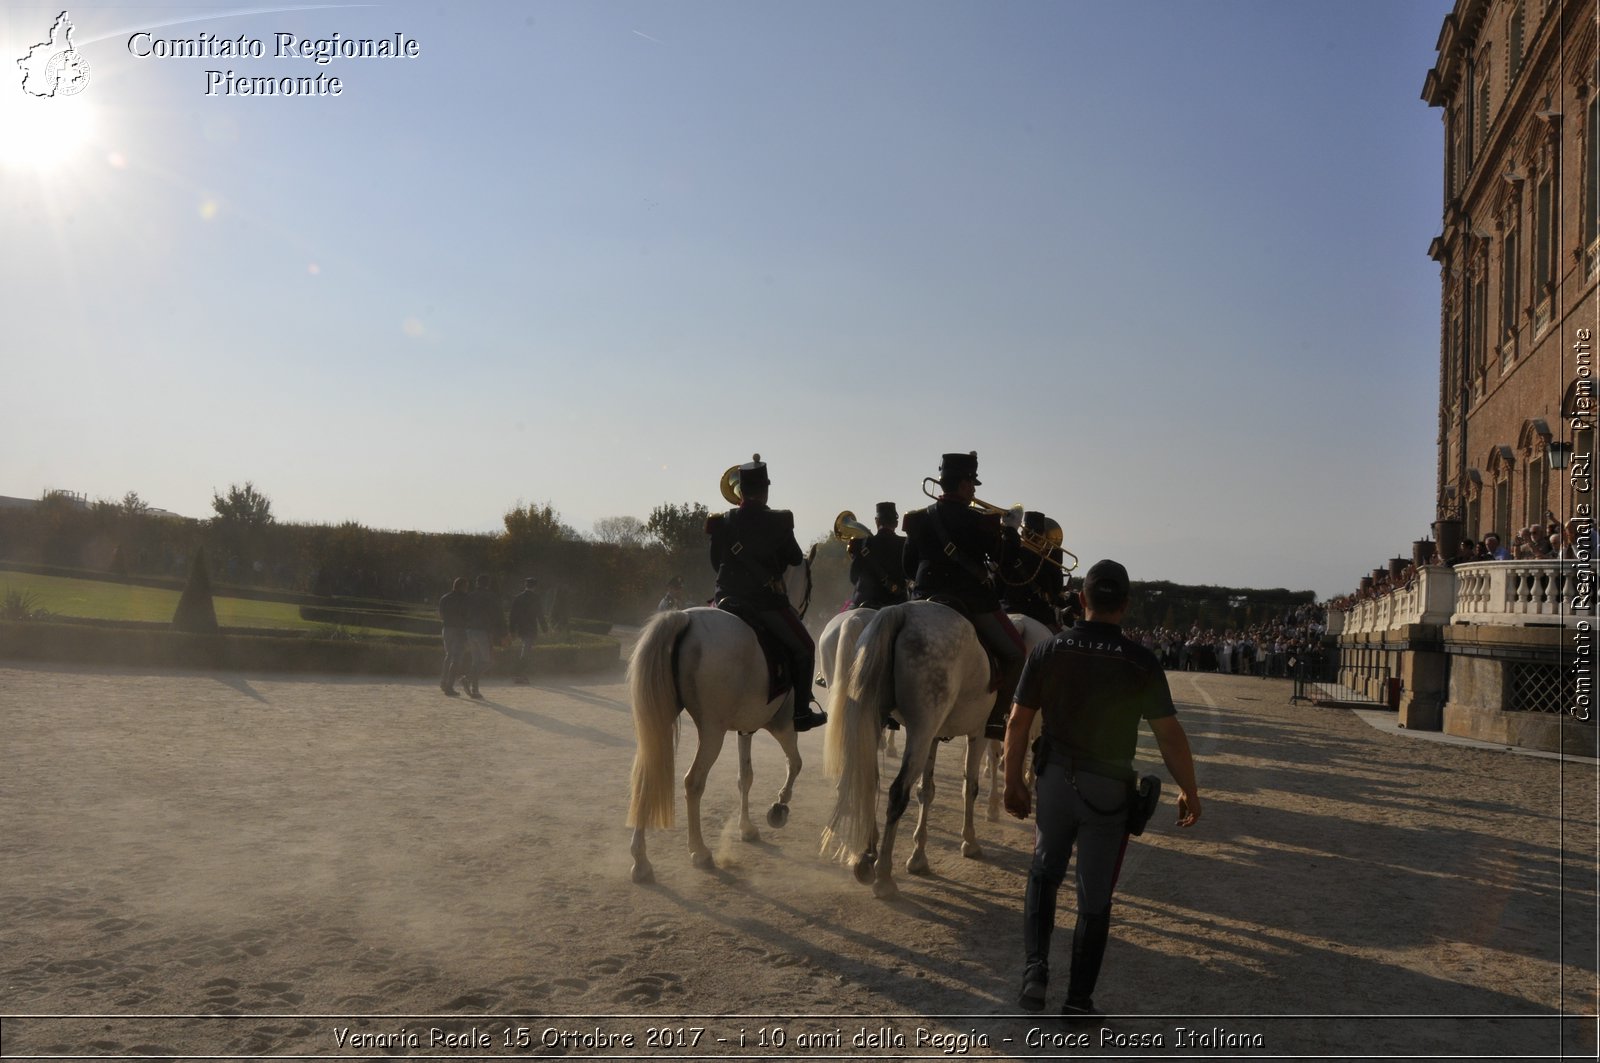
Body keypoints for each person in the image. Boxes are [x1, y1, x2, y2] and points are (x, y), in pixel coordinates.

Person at [1003, 559, 1202, 1021]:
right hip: (1108, 788)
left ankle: (1034, 973)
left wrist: (1014, 780)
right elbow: (1169, 735)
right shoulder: (1140, 660)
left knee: (1042, 874)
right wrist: (1190, 790)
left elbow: (1017, 721)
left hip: (1055, 781)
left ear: (1082, 600)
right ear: (1126, 605)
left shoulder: (1048, 650)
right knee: (1095, 898)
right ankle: (1077, 1001)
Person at [902, 451, 1026, 740]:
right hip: (970, 598)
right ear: (962, 485)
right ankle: (997, 718)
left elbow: (908, 566)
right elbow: (1004, 567)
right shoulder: (982, 521)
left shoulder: (918, 518)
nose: (973, 490)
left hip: (923, 595)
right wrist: (1010, 533)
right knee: (1016, 652)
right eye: (972, 484)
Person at [706, 458, 827, 732]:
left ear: (740, 490)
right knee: (806, 648)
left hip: (725, 599)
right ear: (765, 490)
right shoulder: (779, 520)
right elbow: (796, 558)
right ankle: (801, 713)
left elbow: (715, 563)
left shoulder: (721, 522)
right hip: (765, 603)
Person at [847, 502, 909, 609]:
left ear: (877, 521)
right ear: (896, 523)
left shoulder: (861, 544)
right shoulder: (905, 543)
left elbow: (853, 577)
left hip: (864, 601)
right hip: (897, 602)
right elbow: (910, 574)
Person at [463, 574, 505, 700]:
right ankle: (467, 679)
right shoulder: (491, 597)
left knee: (476, 662)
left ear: (476, 583)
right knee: (488, 661)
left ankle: (475, 690)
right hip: (483, 631)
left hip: (470, 630)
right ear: (488, 584)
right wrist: (504, 632)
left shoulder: (469, 596)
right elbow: (499, 616)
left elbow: (463, 613)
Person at [507, 577, 547, 684]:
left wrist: (511, 629)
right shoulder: (536, 598)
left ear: (526, 585)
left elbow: (512, 615)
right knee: (526, 651)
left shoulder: (518, 597)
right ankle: (519, 674)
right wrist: (545, 628)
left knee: (525, 650)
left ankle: (520, 674)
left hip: (521, 627)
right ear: (535, 586)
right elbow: (540, 615)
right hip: (530, 628)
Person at [437, 576, 472, 696]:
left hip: (446, 629)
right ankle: (449, 687)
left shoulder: (445, 597)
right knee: (456, 658)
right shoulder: (467, 599)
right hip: (460, 630)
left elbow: (441, 615)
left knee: (449, 655)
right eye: (466, 586)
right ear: (463, 587)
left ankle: (443, 681)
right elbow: (468, 616)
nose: (467, 588)